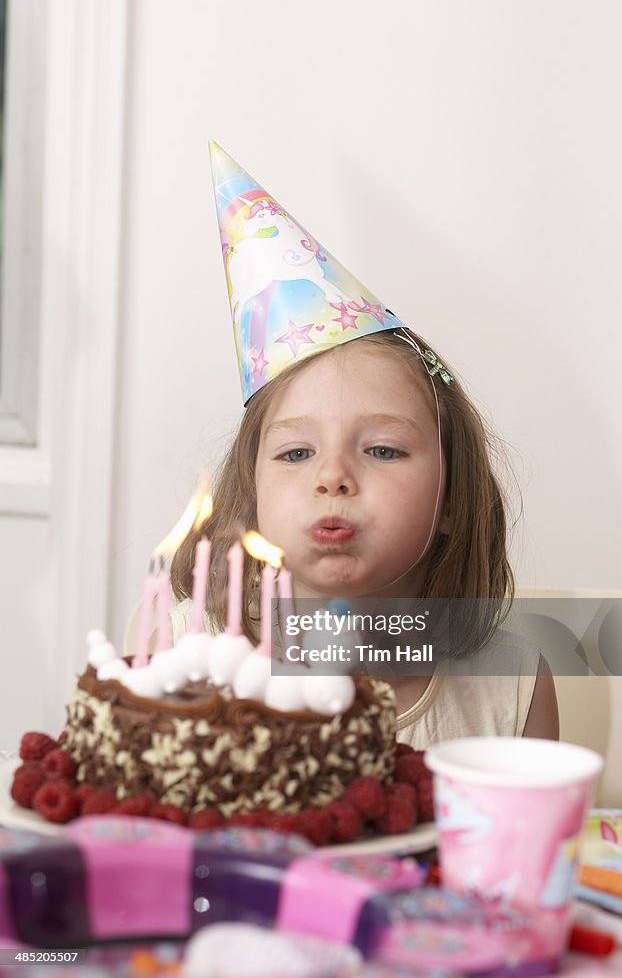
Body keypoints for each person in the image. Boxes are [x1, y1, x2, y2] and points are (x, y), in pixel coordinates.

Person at [169, 144, 559, 745]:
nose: (333, 477)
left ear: (452, 497)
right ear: (251, 495)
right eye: (296, 454)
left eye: (382, 450)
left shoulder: (511, 684)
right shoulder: (182, 648)